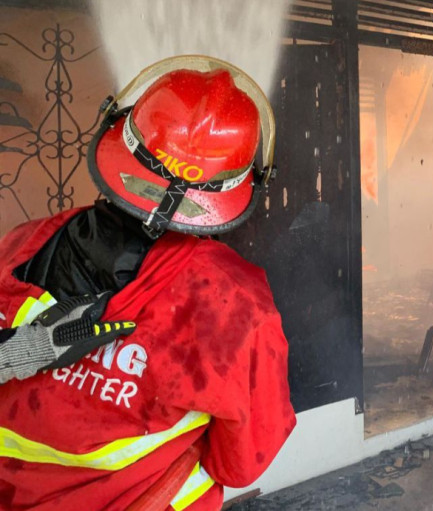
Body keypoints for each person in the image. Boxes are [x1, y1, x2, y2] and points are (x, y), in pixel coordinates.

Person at [0, 56, 296, 510]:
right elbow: (239, 465)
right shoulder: (237, 305)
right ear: (239, 185)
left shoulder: (18, 247)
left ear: (117, 133)